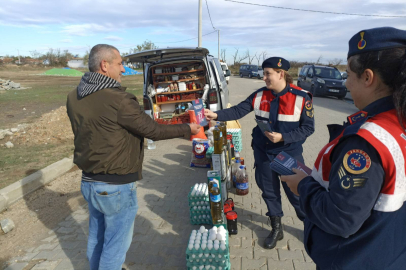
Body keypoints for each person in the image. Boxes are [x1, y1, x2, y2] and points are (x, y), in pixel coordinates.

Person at [66, 44, 201, 270]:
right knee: (115, 245)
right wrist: (188, 129)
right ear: (104, 65)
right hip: (115, 185)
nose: (124, 69)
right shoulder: (118, 99)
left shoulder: (74, 96)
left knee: (97, 237)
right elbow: (153, 131)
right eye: (120, 64)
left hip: (89, 182)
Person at [281, 27, 406, 269]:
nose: (346, 83)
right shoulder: (399, 119)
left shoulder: (368, 141)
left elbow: (341, 219)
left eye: (348, 74)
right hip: (388, 252)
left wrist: (303, 185)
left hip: (355, 258)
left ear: (368, 77)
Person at [204, 57, 315, 249]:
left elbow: (308, 128)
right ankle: (276, 228)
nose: (263, 77)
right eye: (263, 73)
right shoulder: (259, 95)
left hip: (288, 154)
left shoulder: (302, 97)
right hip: (263, 153)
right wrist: (216, 115)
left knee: (297, 193)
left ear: (281, 74)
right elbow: (238, 111)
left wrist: (283, 137)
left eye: (267, 74)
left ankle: (312, 228)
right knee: (269, 192)